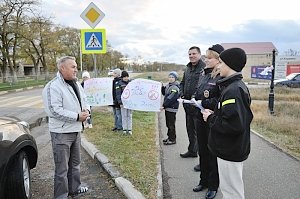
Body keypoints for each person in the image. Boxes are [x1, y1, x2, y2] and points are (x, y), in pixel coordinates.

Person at [202, 48, 253, 199]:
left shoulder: (233, 90)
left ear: (230, 64)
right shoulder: (234, 87)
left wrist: (210, 118)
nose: (218, 66)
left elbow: (234, 125)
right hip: (230, 149)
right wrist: (215, 114)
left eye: (221, 63)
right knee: (230, 190)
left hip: (230, 150)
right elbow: (232, 117)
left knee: (232, 192)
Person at [42, 56, 90, 199]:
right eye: (73, 67)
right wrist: (77, 116)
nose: (76, 69)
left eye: (76, 66)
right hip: (61, 133)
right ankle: (61, 196)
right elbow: (54, 110)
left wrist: (87, 110)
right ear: (62, 68)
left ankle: (74, 189)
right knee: (62, 168)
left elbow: (85, 100)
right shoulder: (53, 86)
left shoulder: (76, 83)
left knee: (75, 164)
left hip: (76, 130)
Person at [192, 44, 224, 199]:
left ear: (218, 60)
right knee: (203, 151)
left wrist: (206, 103)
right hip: (200, 117)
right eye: (206, 57)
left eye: (209, 57)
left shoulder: (222, 76)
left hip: (212, 119)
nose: (206, 60)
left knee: (212, 153)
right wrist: (194, 99)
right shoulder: (204, 74)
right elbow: (200, 93)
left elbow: (221, 99)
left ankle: (213, 185)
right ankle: (203, 181)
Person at [179, 46, 205, 158]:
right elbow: (182, 83)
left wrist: (194, 97)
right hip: (187, 105)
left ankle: (203, 160)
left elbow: (202, 85)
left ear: (199, 54)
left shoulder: (203, 68)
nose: (191, 56)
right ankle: (192, 151)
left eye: (194, 54)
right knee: (190, 130)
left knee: (200, 134)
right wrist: (181, 92)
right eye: (189, 54)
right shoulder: (187, 69)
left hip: (198, 106)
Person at [161, 71, 180, 145]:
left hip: (172, 108)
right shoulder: (168, 85)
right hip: (168, 108)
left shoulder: (175, 88)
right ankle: (169, 137)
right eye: (170, 77)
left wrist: (164, 105)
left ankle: (172, 139)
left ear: (175, 78)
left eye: (172, 77)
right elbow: (164, 94)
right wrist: (162, 87)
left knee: (171, 124)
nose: (171, 78)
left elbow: (170, 98)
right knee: (168, 124)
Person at [116, 70, 133, 135]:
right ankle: (125, 129)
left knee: (129, 115)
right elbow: (118, 94)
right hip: (123, 103)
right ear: (122, 77)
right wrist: (120, 103)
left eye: (127, 77)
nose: (126, 78)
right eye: (124, 77)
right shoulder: (119, 84)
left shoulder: (131, 83)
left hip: (130, 103)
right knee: (124, 116)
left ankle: (130, 129)